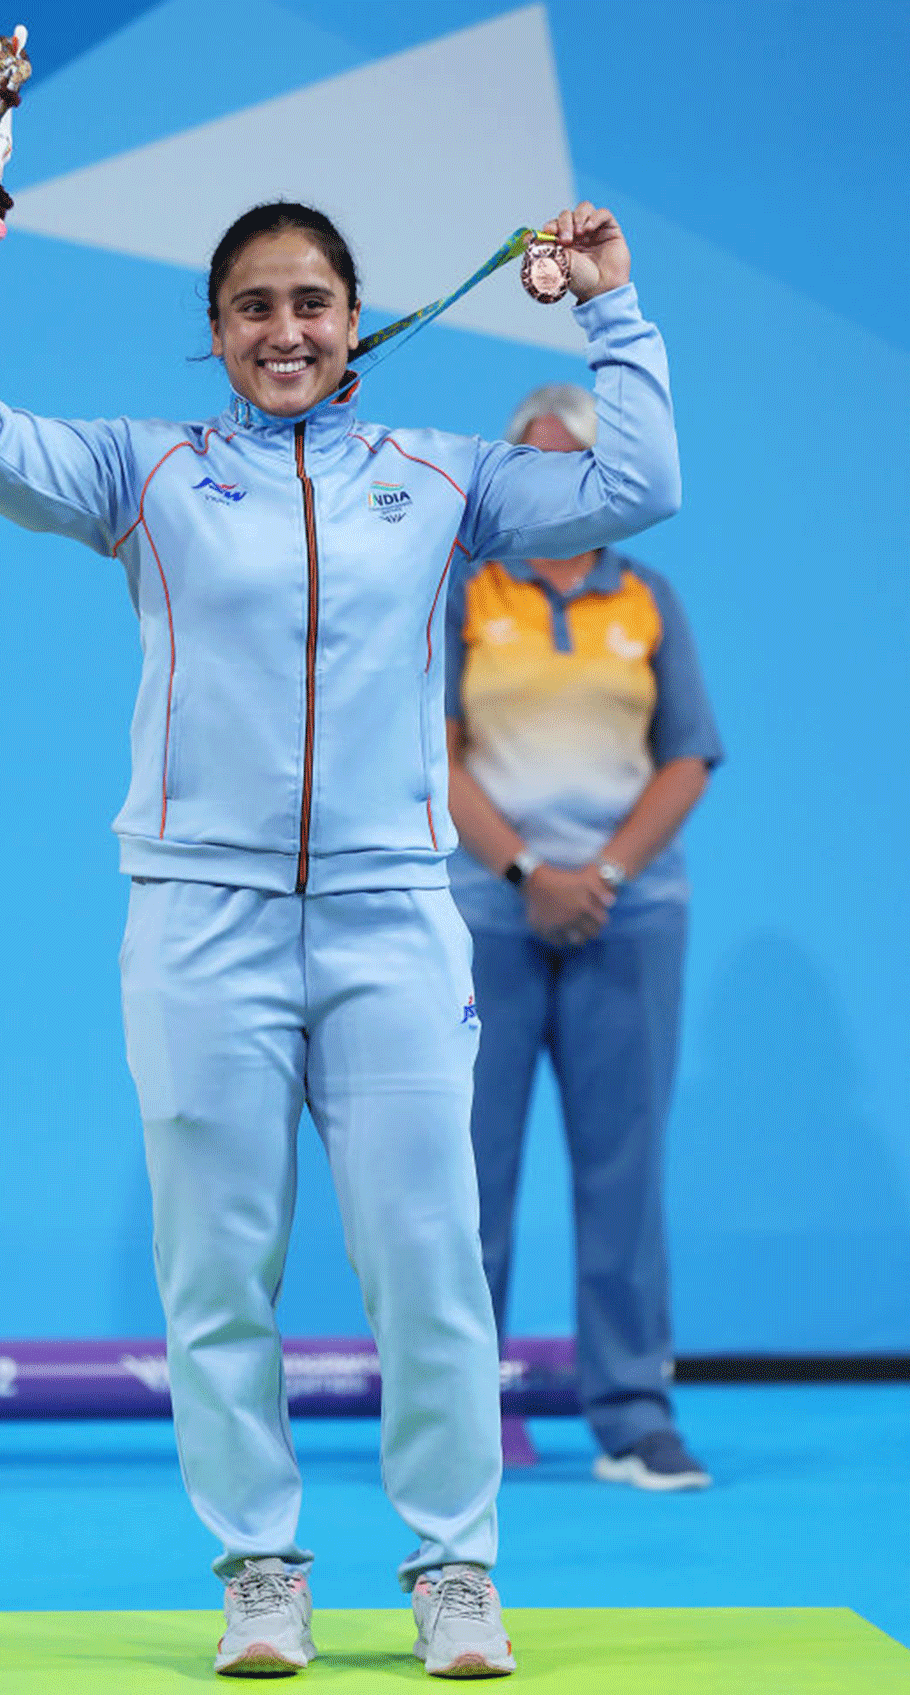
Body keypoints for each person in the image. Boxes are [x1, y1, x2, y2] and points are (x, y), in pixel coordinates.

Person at [0, 124, 680, 1677]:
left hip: (394, 919)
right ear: (217, 330)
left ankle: (454, 1568)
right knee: (217, 1271)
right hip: (200, 923)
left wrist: (611, 309)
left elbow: (640, 481)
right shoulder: (147, 472)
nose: (285, 328)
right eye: (253, 305)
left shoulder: (440, 479)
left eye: (312, 299)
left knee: (430, 1261)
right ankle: (261, 1564)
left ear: (354, 318)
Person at [445, 380, 722, 1494]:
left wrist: (596, 876)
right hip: (486, 920)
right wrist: (525, 871)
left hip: (627, 918)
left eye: (574, 458)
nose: (552, 474)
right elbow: (436, 751)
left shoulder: (647, 596)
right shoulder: (464, 592)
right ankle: (456, 1421)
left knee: (624, 1171)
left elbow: (689, 753)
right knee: (465, 1177)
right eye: (531, 457)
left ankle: (633, 1418)